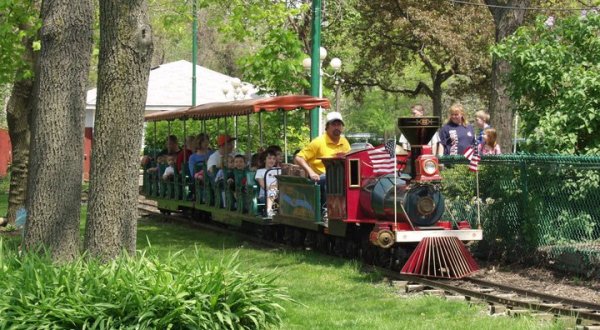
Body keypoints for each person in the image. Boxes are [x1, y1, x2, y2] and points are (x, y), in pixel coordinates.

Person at [295, 111, 351, 213]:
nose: (337, 127)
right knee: (329, 178)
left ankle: (349, 210)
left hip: (340, 176)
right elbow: (298, 158)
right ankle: (327, 210)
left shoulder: (344, 142)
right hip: (321, 177)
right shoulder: (318, 142)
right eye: (334, 124)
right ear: (327, 126)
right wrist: (311, 172)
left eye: (339, 124)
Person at [255, 151, 280, 217]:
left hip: (278, 192)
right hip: (265, 195)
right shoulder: (260, 171)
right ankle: (268, 210)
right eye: (269, 158)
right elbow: (263, 185)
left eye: (274, 159)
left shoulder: (278, 170)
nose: (272, 160)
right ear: (264, 160)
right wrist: (272, 187)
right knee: (272, 191)